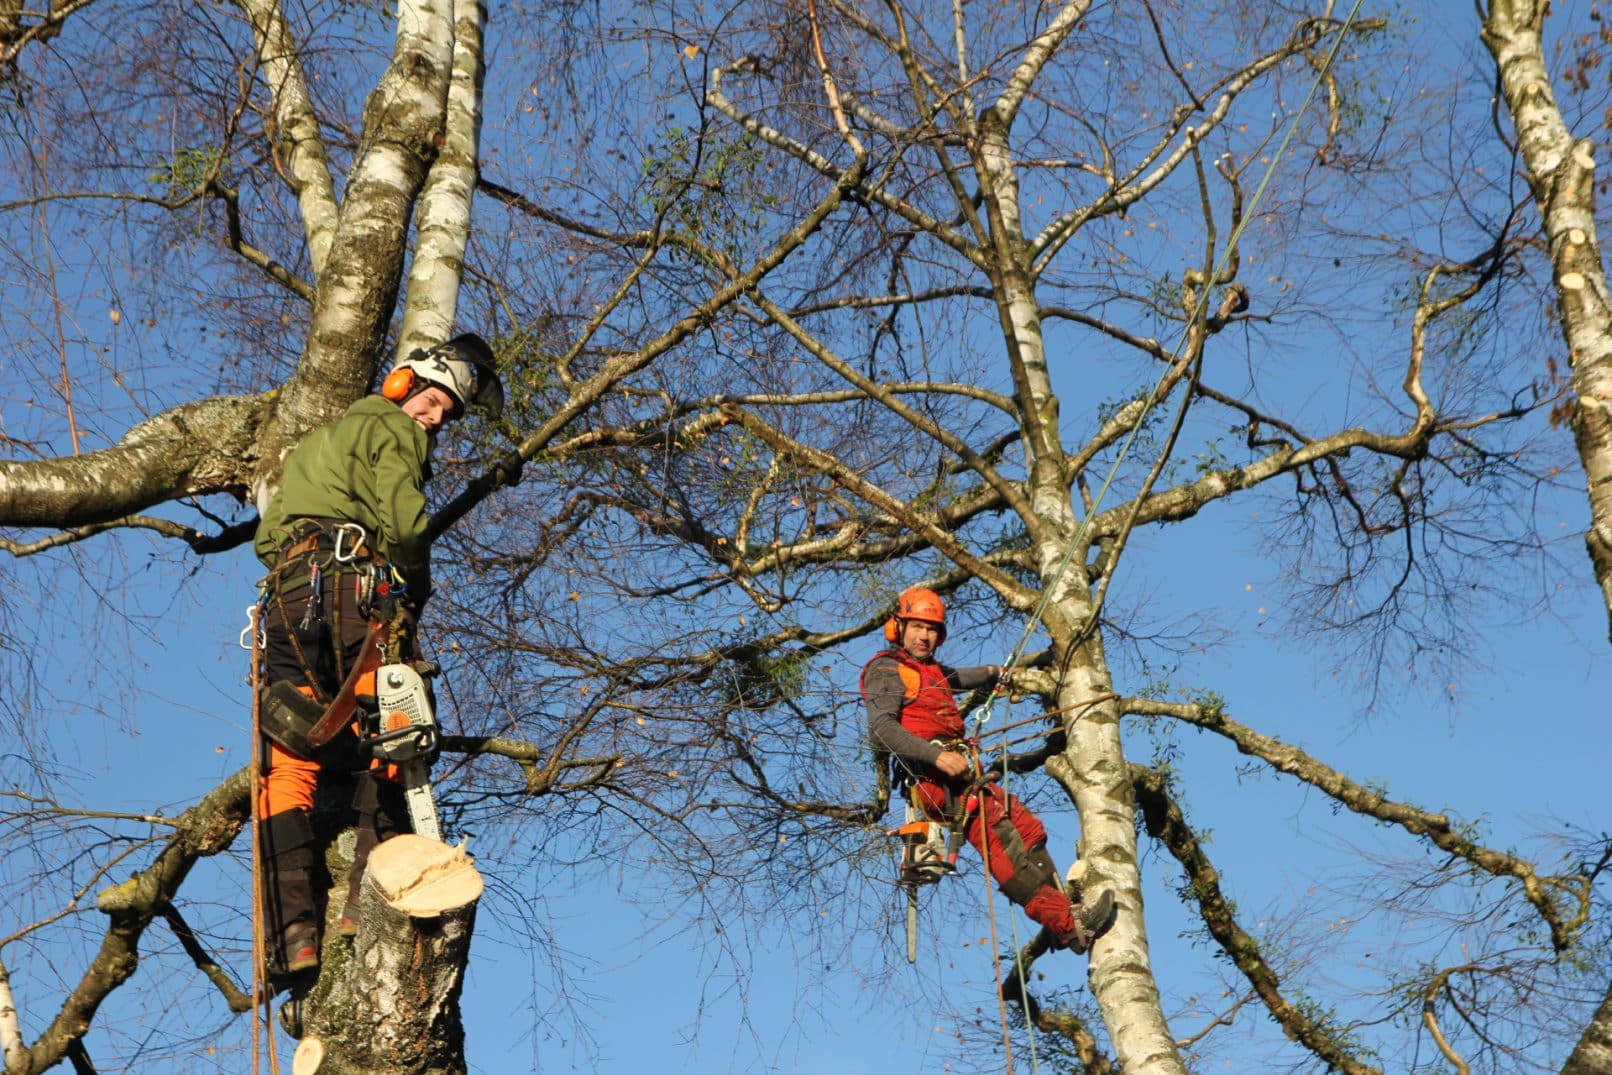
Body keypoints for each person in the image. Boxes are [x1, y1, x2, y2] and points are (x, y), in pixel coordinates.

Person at [251, 334, 502, 982]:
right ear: (403, 383)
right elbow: (409, 526)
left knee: (289, 752)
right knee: (396, 734)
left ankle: (293, 934)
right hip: (356, 596)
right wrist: (414, 587)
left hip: (287, 597)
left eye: (446, 413)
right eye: (434, 401)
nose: (436, 418)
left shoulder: (314, 449)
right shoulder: (393, 427)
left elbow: (267, 539)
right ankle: (364, 903)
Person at [862, 586, 1114, 952]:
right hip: (932, 780)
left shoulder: (929, 671)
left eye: (931, 629)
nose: (924, 636)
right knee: (1000, 839)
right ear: (898, 628)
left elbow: (960, 677)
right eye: (917, 626)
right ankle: (1067, 922)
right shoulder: (886, 669)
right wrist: (936, 757)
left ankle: (1061, 913)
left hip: (963, 776)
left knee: (1026, 826)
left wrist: (998, 673)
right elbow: (881, 730)